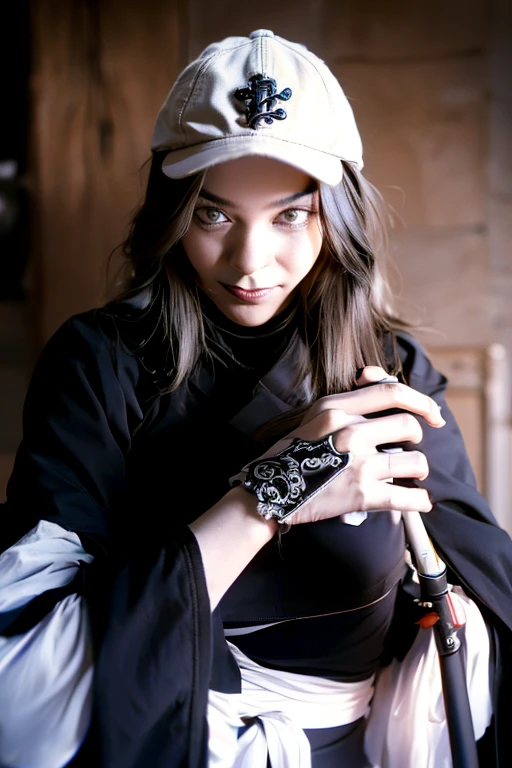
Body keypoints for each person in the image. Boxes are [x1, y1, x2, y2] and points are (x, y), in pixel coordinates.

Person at [1, 28, 511, 768]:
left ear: (337, 216)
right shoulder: (100, 363)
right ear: (172, 213)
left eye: (290, 215)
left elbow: (475, 593)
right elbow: (22, 697)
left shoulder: (392, 365)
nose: (249, 261)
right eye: (213, 214)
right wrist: (276, 489)